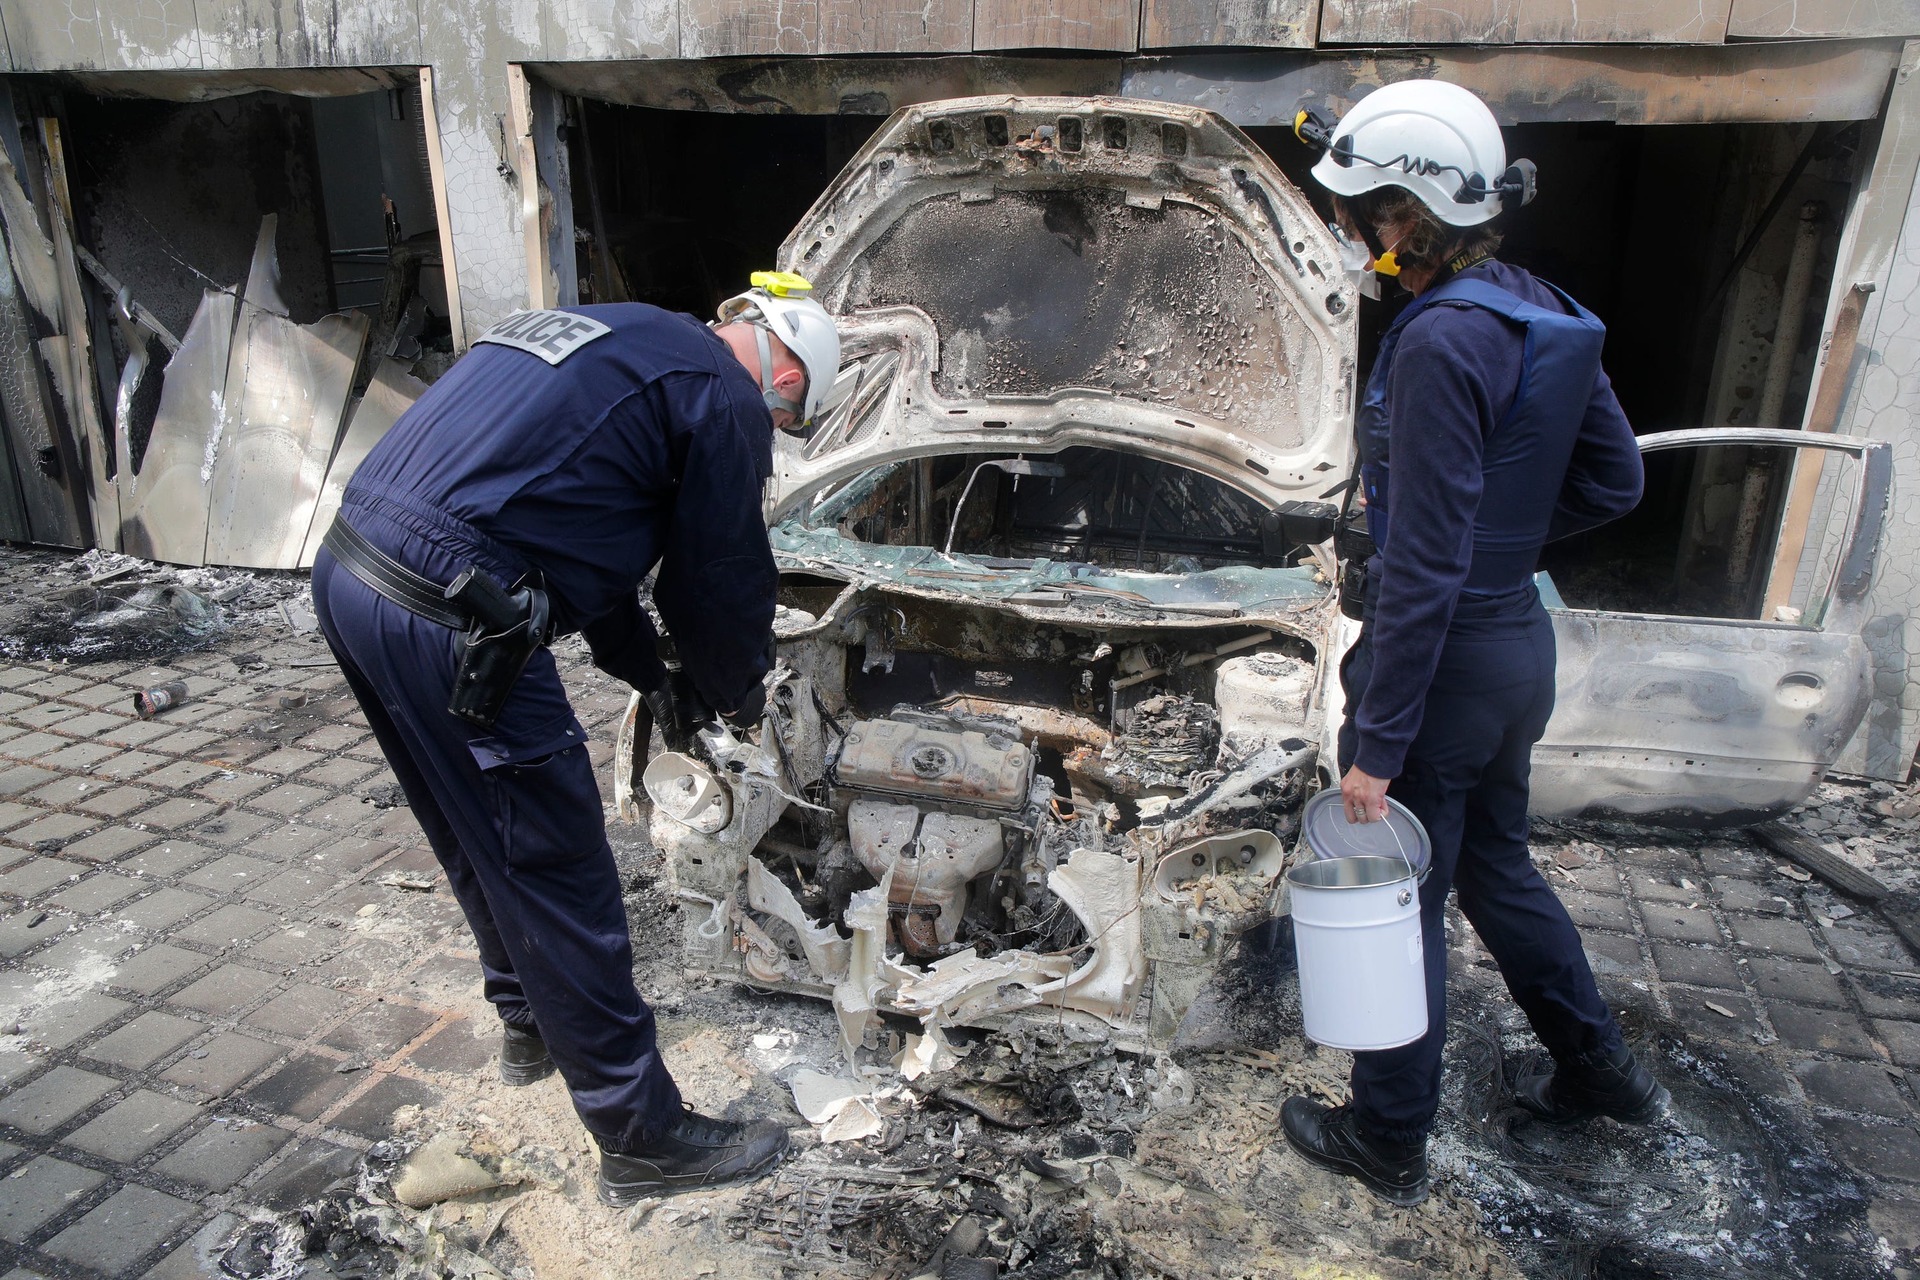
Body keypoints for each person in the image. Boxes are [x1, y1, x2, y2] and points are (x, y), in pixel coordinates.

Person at [310, 272, 840, 1205]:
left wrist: (654, 674)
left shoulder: (612, 332)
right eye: (787, 424)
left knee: (473, 831)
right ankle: (642, 1135)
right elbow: (713, 578)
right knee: (557, 868)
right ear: (788, 377)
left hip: (353, 568)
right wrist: (741, 694)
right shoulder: (723, 396)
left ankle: (528, 1024)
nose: (774, 432)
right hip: (456, 612)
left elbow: (588, 544)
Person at [1279, 82, 1665, 1206]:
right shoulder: (1538, 306)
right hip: (1515, 650)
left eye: (1361, 206)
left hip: (1443, 670)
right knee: (1498, 868)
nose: (1352, 228)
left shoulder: (1441, 340)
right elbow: (1617, 479)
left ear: (1405, 209)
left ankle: (1387, 1133)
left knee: (1403, 897)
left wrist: (1377, 748)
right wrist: (1508, 546)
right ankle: (1603, 1072)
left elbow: (1427, 562)